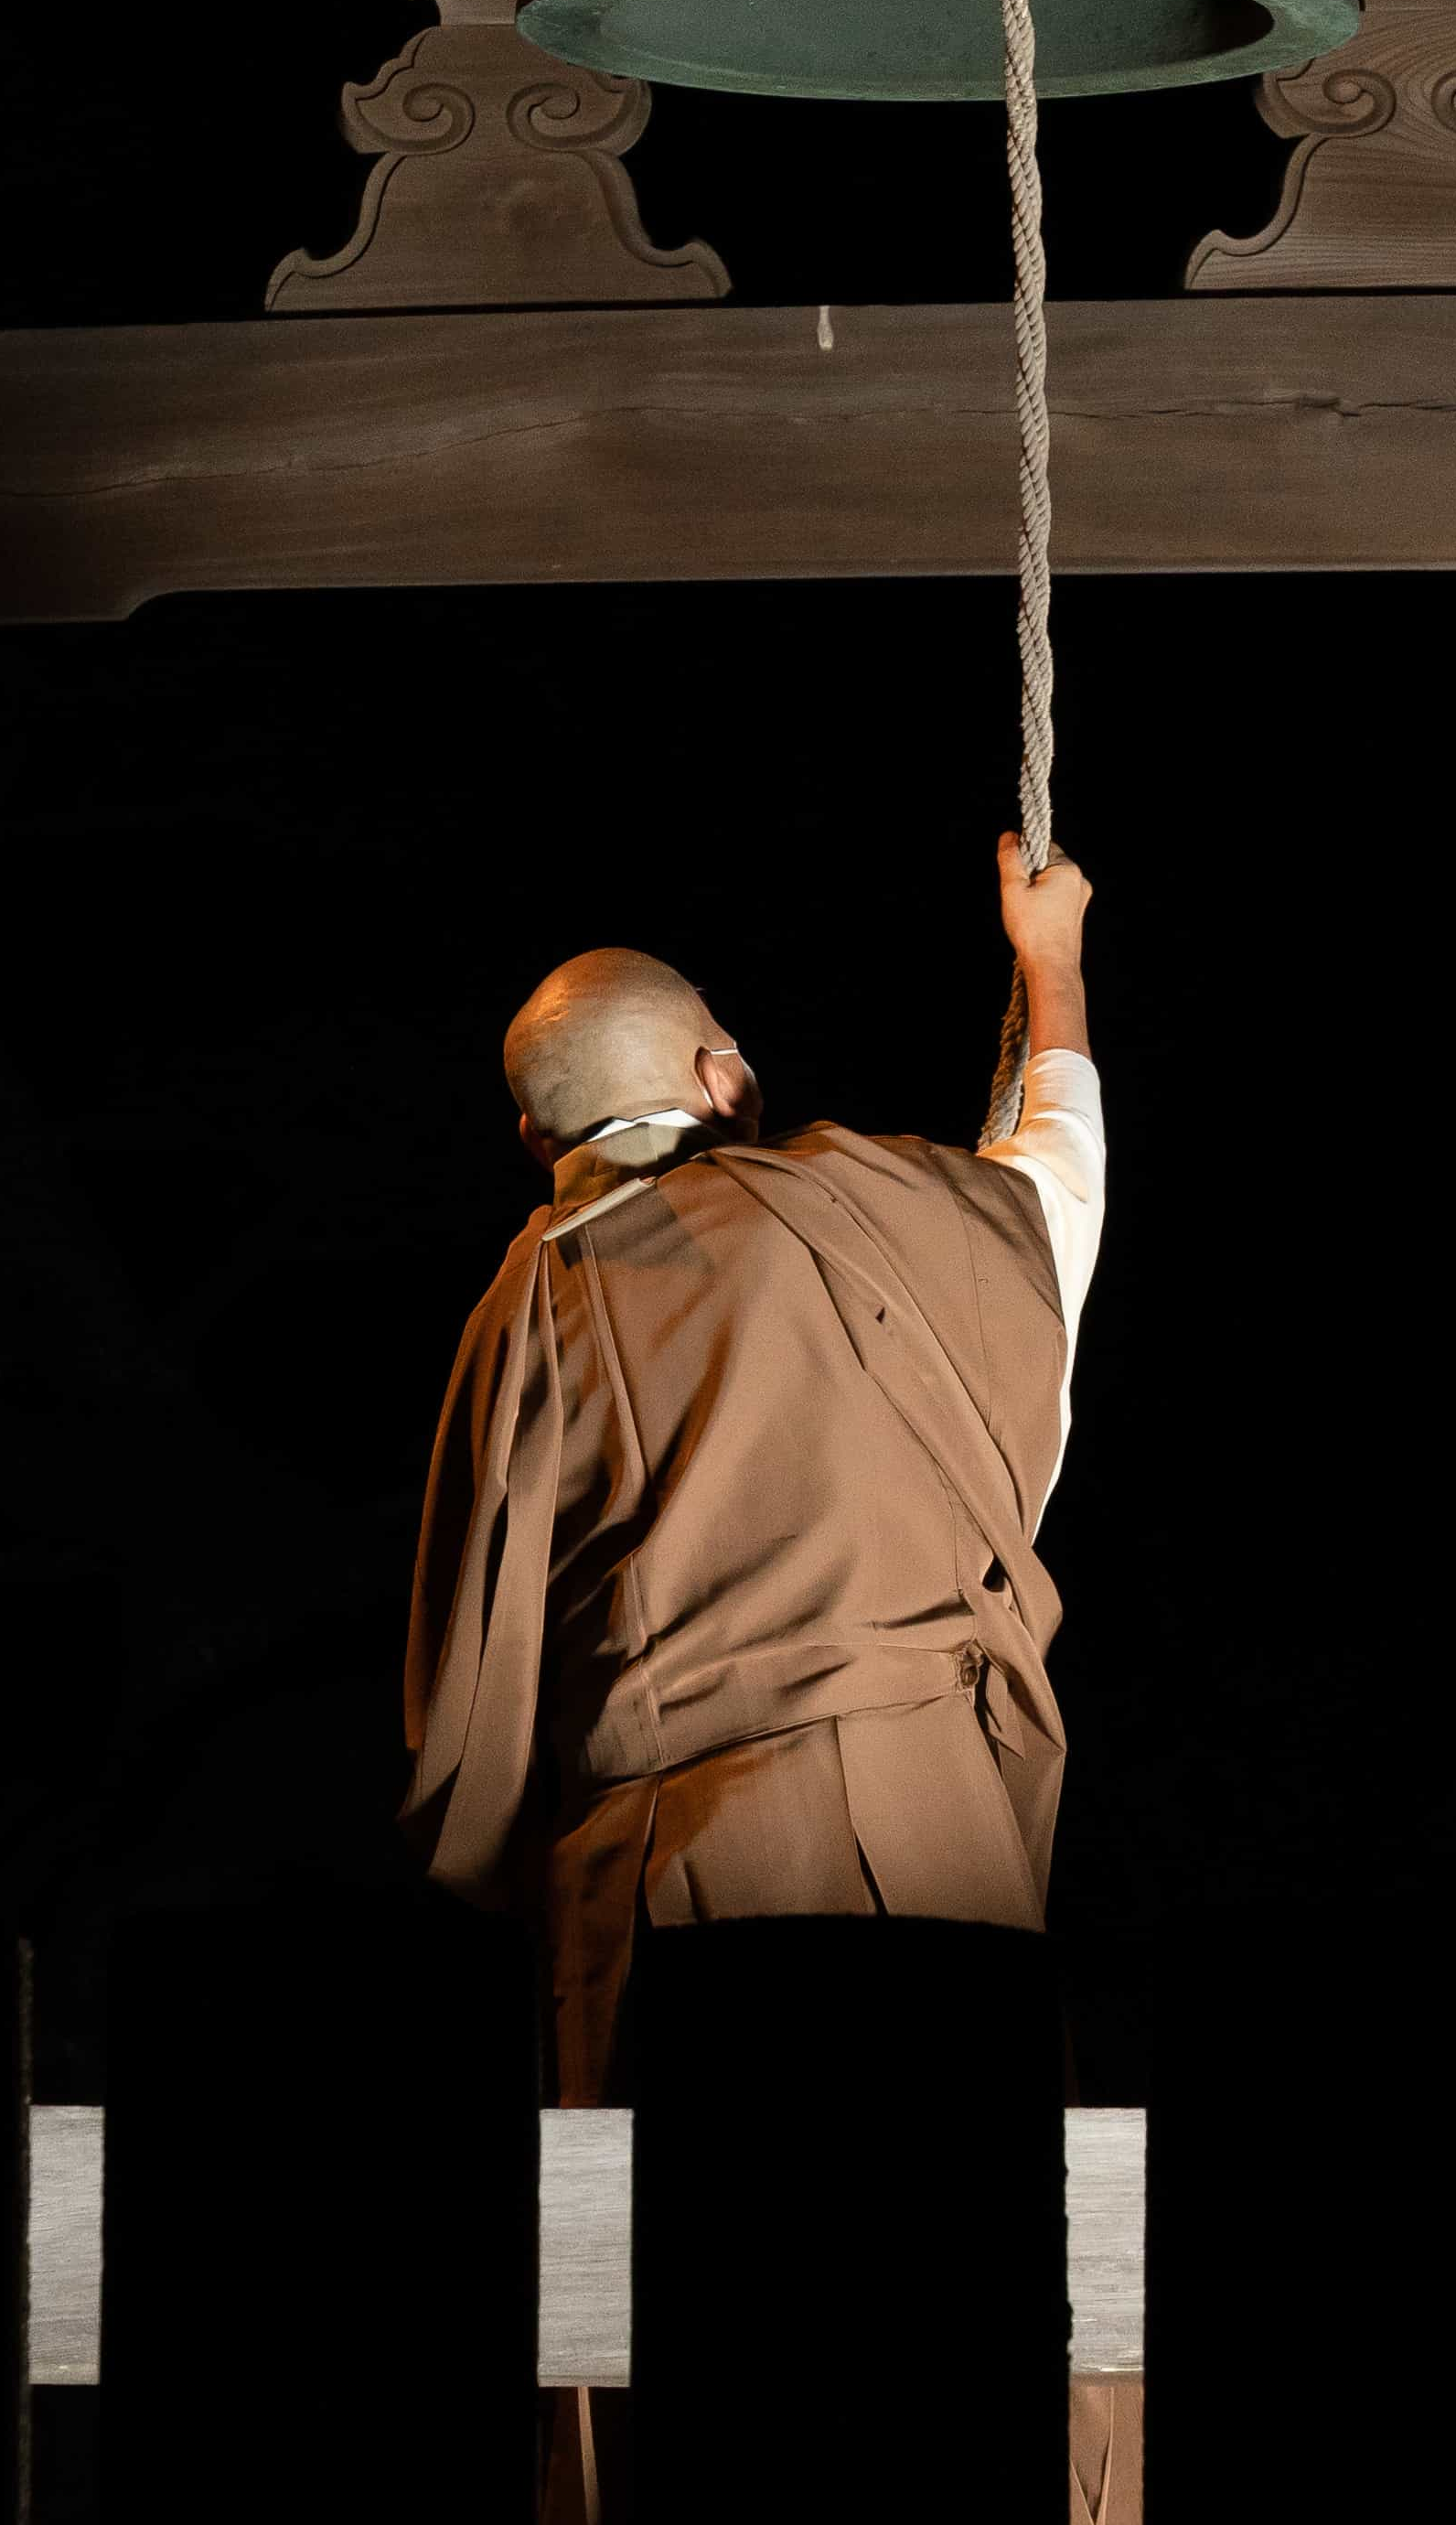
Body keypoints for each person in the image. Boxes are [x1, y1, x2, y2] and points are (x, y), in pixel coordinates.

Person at [402, 833, 1105, 2107]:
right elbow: (1054, 1198)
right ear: (723, 1076)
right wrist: (1049, 964)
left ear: (531, 1134)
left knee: (679, 2286)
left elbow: (465, 1705)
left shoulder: (508, 1319)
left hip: (631, 1887)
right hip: (906, 1829)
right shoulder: (856, 1204)